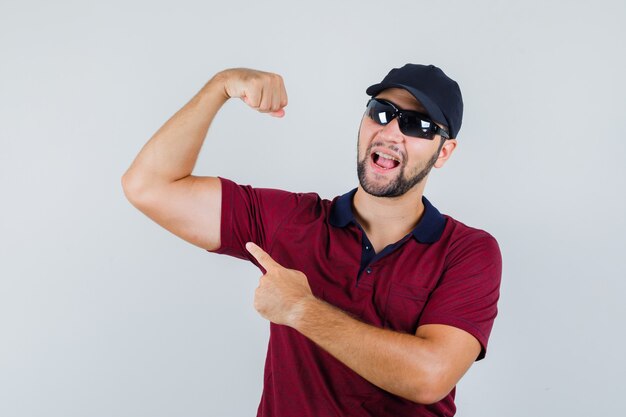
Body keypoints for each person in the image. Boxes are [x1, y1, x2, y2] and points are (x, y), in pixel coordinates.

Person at [121, 64, 502, 417]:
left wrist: (300, 309)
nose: (390, 133)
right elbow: (149, 186)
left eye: (417, 125)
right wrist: (220, 86)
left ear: (443, 152)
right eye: (381, 112)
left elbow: (429, 377)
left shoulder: (467, 251)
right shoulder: (294, 221)